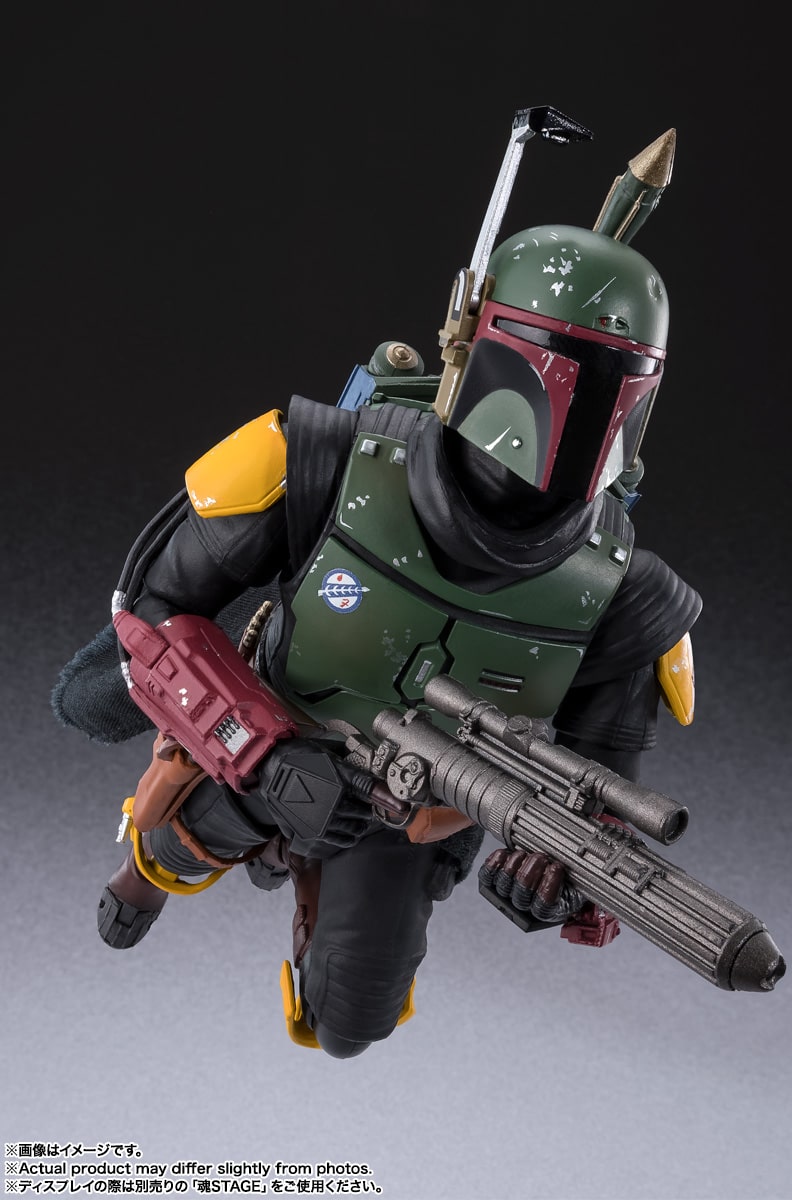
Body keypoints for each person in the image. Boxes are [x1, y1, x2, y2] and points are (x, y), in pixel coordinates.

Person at [53, 116, 701, 1058]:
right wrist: (258, 751)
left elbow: (604, 789)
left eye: (616, 379)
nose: (578, 403)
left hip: (412, 801)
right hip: (272, 718)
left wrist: (559, 875)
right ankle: (148, 873)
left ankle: (288, 881)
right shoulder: (319, 457)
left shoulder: (624, 589)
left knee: (350, 1023)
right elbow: (150, 615)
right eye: (559, 364)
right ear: (478, 341)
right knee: (161, 805)